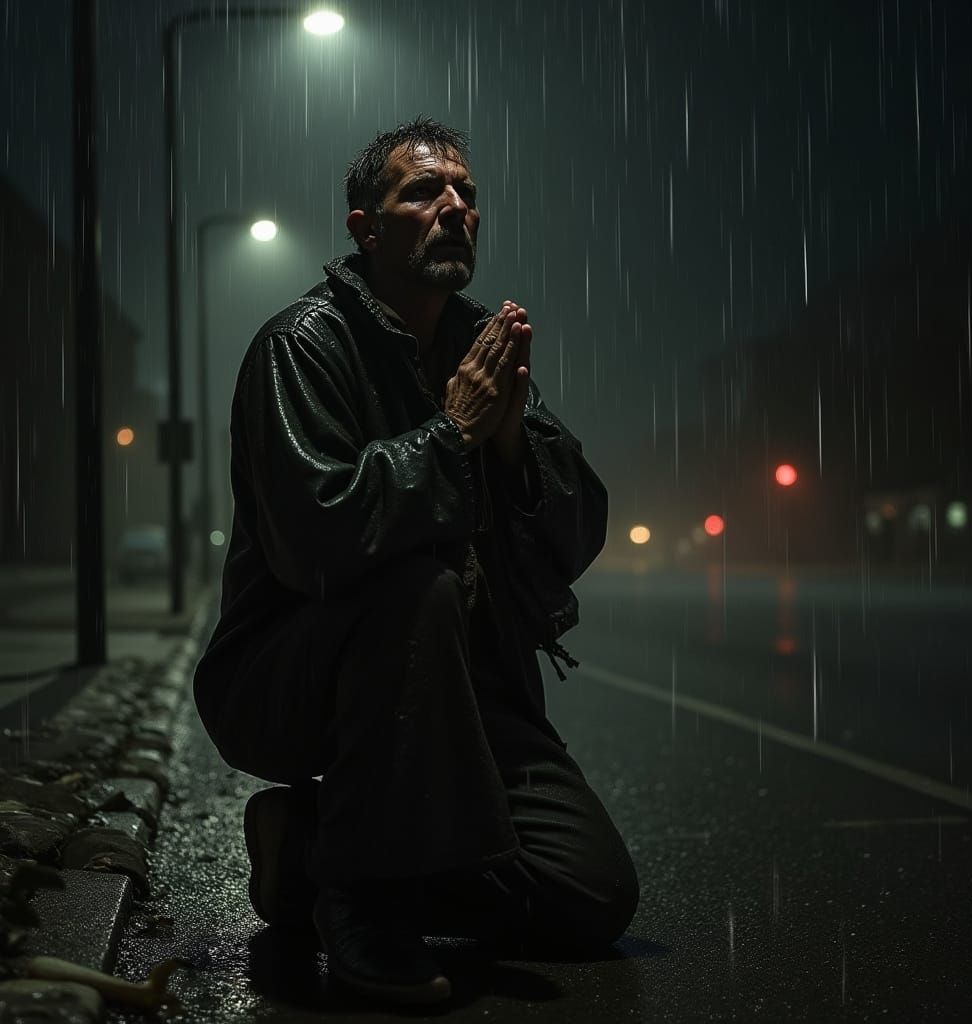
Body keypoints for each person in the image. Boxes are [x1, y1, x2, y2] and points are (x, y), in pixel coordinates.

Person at [192, 115, 639, 1006]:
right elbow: (315, 540)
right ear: (364, 227)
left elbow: (575, 537)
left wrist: (511, 443)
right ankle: (367, 907)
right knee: (413, 580)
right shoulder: (303, 345)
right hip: (294, 675)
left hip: (463, 689)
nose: (453, 208)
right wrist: (453, 435)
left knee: (589, 894)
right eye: (422, 192)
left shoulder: (478, 347)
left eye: (467, 195)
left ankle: (314, 848)